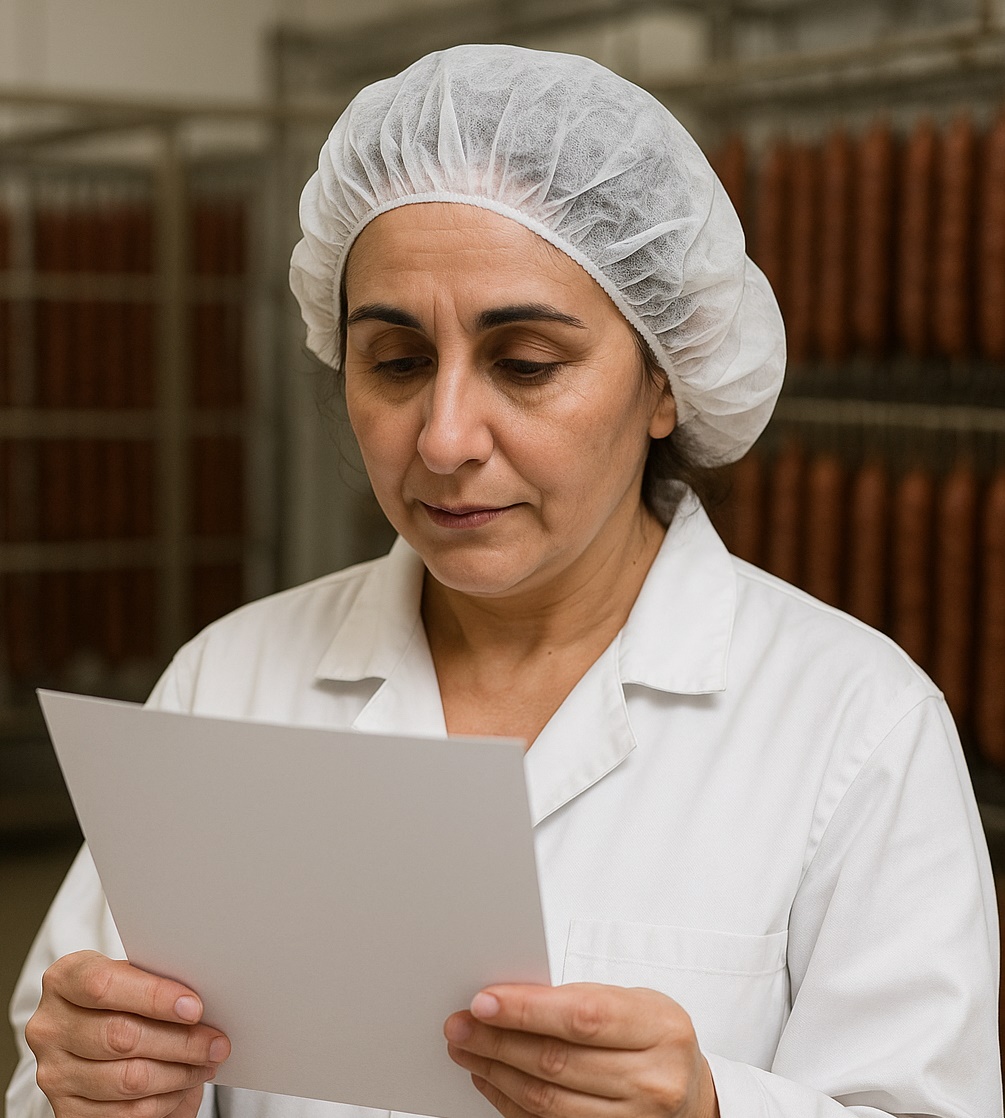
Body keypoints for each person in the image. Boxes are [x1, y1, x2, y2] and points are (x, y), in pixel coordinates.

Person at [7, 43, 1001, 1118]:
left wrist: (714, 1108)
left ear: (666, 378)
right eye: (394, 361)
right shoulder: (232, 678)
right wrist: (97, 1093)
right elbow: (65, 1059)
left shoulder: (852, 721)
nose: (442, 438)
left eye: (526, 364)